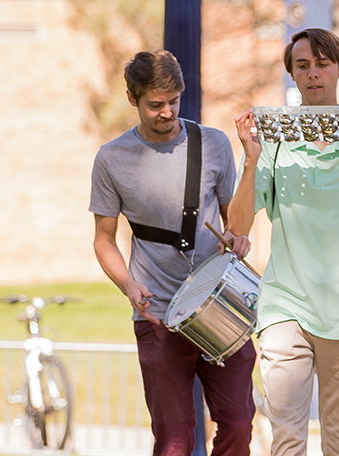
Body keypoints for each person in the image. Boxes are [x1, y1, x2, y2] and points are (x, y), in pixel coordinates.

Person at [228, 28, 339, 456]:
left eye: (323, 64)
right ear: (291, 73)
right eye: (302, 65)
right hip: (285, 302)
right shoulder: (273, 139)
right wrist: (251, 161)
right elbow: (238, 225)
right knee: (286, 438)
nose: (313, 74)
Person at [90, 49, 255, 456]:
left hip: (221, 305)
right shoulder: (111, 159)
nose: (167, 112)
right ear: (133, 98)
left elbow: (235, 218)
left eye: (174, 102)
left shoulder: (213, 144)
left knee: (238, 424)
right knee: (175, 440)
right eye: (155, 104)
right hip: (158, 312)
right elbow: (103, 239)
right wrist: (128, 284)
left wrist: (237, 235)